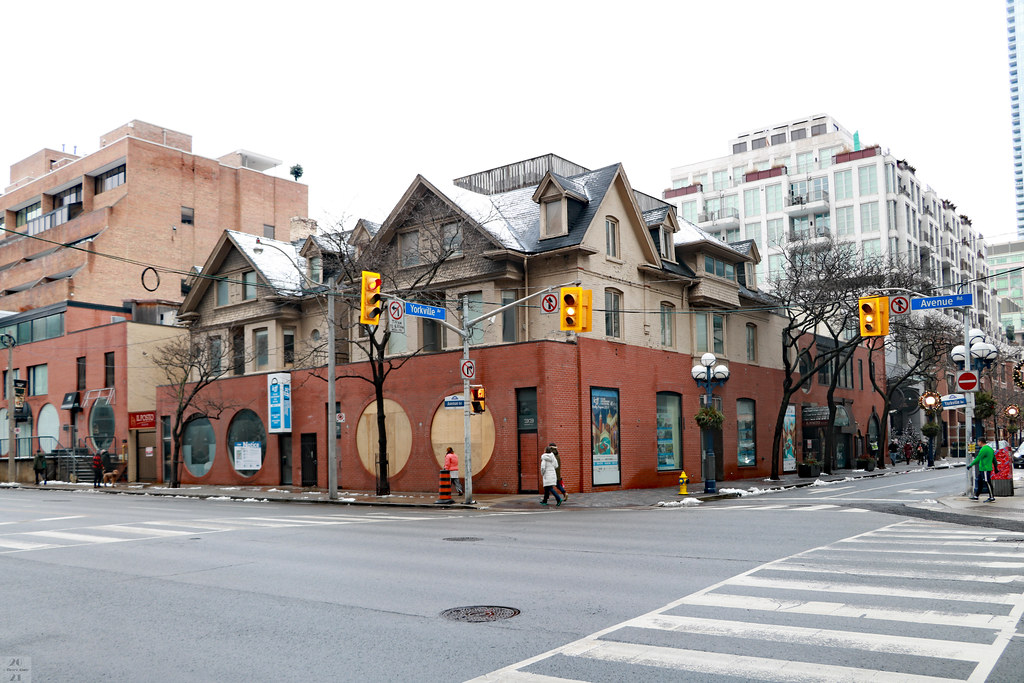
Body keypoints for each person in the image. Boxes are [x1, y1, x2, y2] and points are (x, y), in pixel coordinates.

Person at [969, 436, 996, 502]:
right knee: (980, 482)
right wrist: (996, 467)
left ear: (980, 442)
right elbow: (994, 459)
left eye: (978, 442)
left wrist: (970, 465)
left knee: (987, 482)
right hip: (983, 469)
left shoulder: (983, 449)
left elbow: (978, 458)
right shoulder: (990, 449)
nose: (977, 443)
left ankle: (991, 496)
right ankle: (976, 496)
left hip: (985, 469)